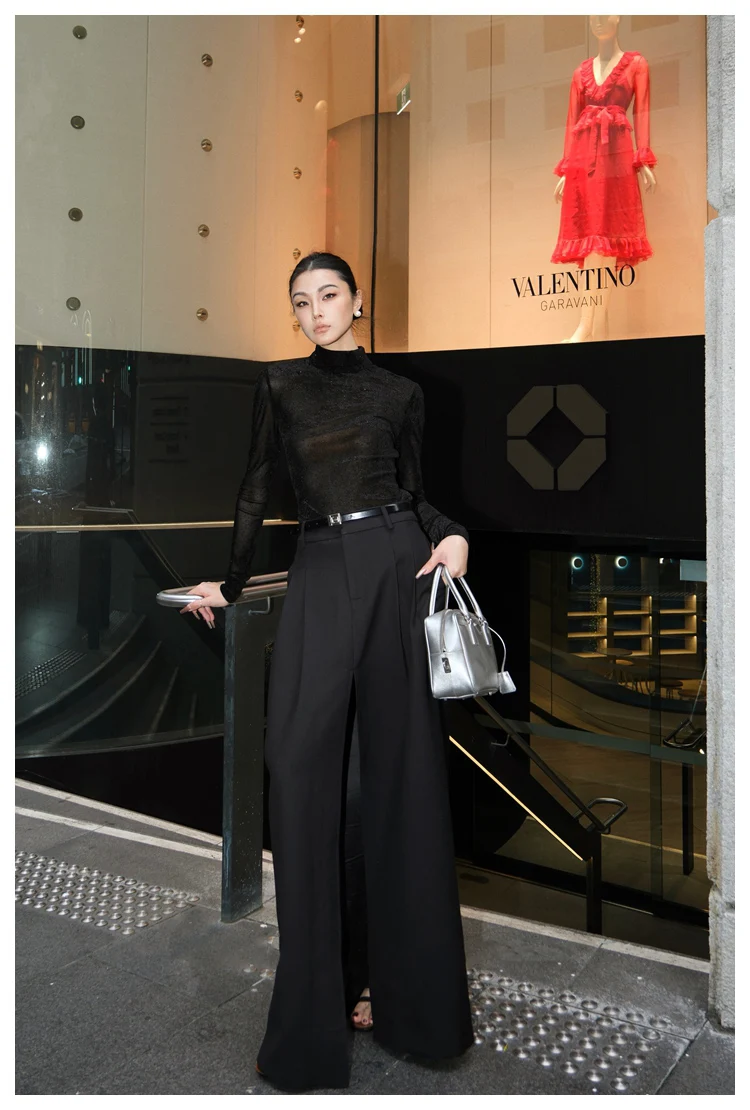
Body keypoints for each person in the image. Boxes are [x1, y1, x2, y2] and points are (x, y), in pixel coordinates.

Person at [181, 251, 474, 1091]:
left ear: (357, 301)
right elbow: (254, 489)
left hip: (396, 564)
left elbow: (417, 493)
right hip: (317, 564)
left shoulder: (400, 394)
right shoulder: (280, 384)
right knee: (300, 770)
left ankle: (409, 1005)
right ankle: (312, 1019)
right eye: (302, 301)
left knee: (402, 778)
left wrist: (453, 536)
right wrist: (231, 583)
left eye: (329, 296)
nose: (316, 312)